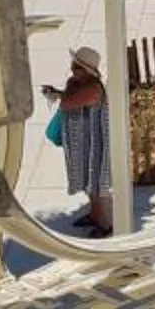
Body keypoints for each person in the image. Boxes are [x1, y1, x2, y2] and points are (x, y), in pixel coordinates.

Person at [44, 44, 113, 234]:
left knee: (96, 184)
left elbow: (68, 102)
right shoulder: (77, 83)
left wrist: (61, 94)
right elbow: (68, 94)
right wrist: (61, 91)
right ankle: (94, 215)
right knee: (86, 183)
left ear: (88, 72)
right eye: (74, 65)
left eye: (78, 67)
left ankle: (104, 224)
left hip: (93, 144)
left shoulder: (93, 89)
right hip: (80, 144)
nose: (73, 69)